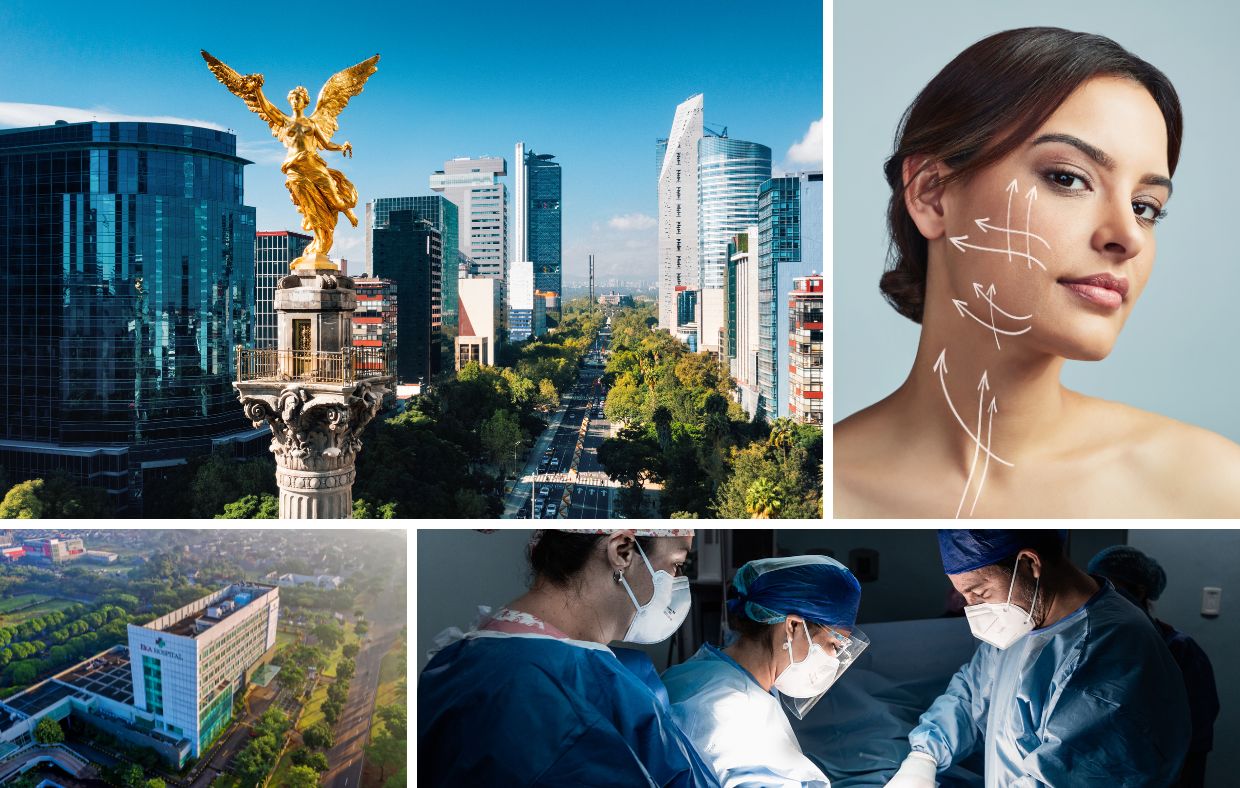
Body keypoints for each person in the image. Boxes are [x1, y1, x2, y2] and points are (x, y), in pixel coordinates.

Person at [834, 27, 1240, 517]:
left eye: (1145, 207)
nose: (1128, 236)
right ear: (931, 193)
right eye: (1067, 178)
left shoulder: (1212, 486)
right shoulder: (823, 489)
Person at [885, 530, 1190, 788]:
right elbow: (970, 693)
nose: (973, 609)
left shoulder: (1113, 649)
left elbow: (1074, 774)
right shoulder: (1021, 621)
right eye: (964, 597)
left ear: (1029, 563)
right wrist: (924, 757)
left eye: (980, 593)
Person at [418, 528, 721, 787]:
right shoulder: (554, 695)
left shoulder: (456, 662)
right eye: (676, 565)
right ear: (623, 551)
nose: (677, 582)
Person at [662, 556, 867, 788]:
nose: (833, 659)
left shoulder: (698, 670)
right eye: (833, 645)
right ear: (793, 626)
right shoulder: (739, 713)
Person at [1088, 545, 1220, 788]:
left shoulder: (1181, 650)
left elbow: (1196, 735)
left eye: (1112, 586)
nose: (1102, 595)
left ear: (1139, 592)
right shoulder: (1102, 646)